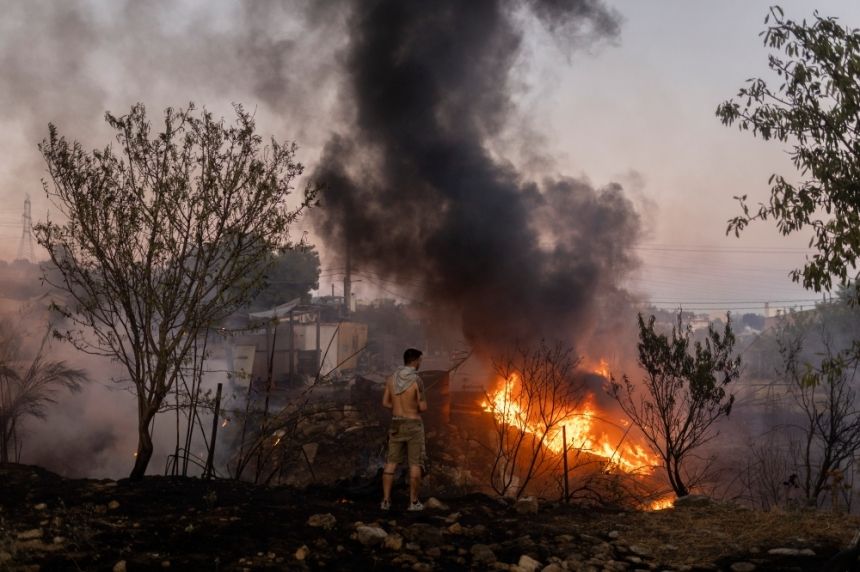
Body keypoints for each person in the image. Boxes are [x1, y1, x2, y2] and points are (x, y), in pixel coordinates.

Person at [380, 348, 427, 511]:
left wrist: (399, 407)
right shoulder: (417, 380)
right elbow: (423, 407)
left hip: (396, 424)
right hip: (413, 424)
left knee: (391, 463)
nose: (421, 363)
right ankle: (413, 503)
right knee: (415, 463)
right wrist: (413, 406)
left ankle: (385, 501)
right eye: (420, 360)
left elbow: (385, 403)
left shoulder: (391, 379)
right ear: (414, 361)